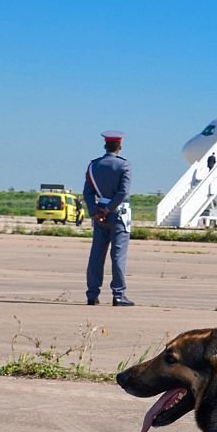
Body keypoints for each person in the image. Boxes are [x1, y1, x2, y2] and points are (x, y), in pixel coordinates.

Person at [83, 130, 134, 307]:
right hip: (118, 215)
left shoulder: (93, 166)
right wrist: (109, 209)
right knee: (118, 255)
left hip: (99, 214)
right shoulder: (124, 166)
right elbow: (123, 192)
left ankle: (92, 294)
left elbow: (87, 192)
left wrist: (95, 212)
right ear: (119, 146)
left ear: (105, 145)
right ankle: (118, 295)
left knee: (96, 254)